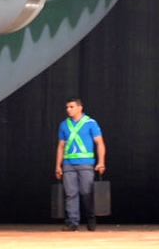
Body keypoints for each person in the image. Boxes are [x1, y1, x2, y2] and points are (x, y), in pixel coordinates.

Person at [54, 97, 105, 231]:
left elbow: (99, 143)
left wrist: (101, 162)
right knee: (71, 194)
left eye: (71, 107)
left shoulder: (90, 123)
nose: (68, 110)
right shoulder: (64, 124)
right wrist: (58, 166)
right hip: (68, 164)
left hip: (86, 163)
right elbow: (61, 146)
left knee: (86, 192)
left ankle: (91, 219)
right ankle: (72, 222)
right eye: (67, 107)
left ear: (79, 107)